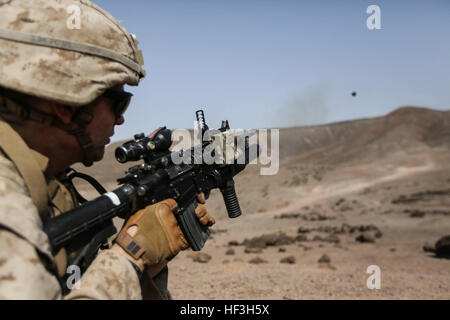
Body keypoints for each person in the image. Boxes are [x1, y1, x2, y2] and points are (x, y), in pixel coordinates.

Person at [0, 0, 214, 299]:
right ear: (67, 104)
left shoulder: (47, 182)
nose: (121, 118)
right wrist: (129, 256)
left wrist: (152, 255)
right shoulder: (6, 201)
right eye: (118, 102)